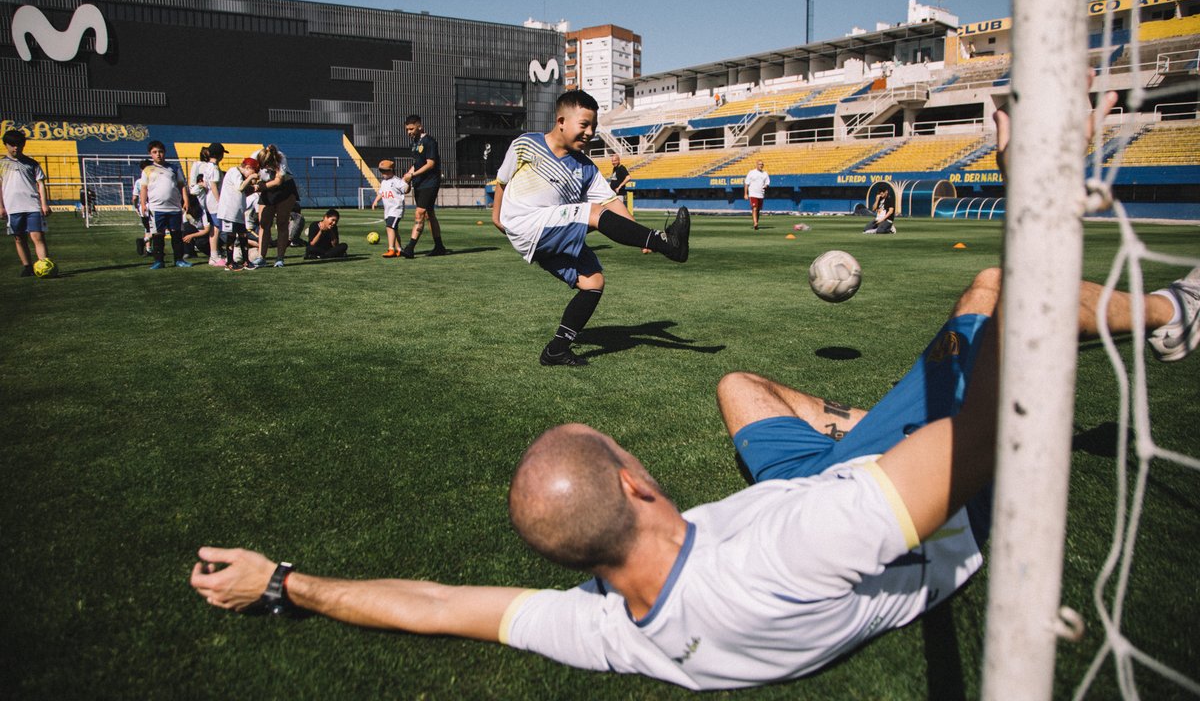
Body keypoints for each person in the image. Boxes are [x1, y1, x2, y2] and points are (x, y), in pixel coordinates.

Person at [189, 265, 1200, 690]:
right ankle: (1172, 312)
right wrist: (1044, 193)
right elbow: (1001, 420)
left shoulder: (607, 627)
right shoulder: (803, 546)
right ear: (636, 485)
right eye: (626, 449)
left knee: (736, 383)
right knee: (998, 292)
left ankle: (841, 416)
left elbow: (440, 603)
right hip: (893, 502)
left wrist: (286, 582)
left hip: (816, 475)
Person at [491, 90, 691, 367]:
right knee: (593, 213)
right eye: (584, 124)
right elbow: (502, 180)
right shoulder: (527, 144)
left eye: (594, 126)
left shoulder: (586, 167)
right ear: (561, 121)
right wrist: (496, 216)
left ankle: (557, 350)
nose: (590, 132)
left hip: (552, 228)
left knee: (593, 282)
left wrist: (640, 236)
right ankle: (668, 244)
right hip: (526, 223)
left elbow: (611, 202)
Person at [0, 128, 53, 277]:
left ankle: (45, 265)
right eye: (12, 144)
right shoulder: (1, 164)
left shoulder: (32, 163)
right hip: (12, 207)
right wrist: (1, 207)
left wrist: (44, 204)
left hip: (32, 205)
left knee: (37, 236)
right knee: (19, 238)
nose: (16, 147)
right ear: (6, 145)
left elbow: (40, 184)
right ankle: (28, 267)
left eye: (19, 144)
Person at [398, 115, 447, 258]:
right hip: (419, 183)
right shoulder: (414, 142)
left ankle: (410, 248)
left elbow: (430, 163)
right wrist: (408, 174)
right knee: (429, 214)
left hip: (430, 182)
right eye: (407, 129)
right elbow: (417, 163)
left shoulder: (429, 141)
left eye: (411, 129)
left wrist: (412, 175)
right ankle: (439, 247)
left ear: (419, 126)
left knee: (419, 213)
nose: (409, 132)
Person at [139, 140, 191, 269]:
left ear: (165, 153)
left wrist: (186, 200)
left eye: (160, 152)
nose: (158, 154)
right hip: (157, 209)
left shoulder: (174, 168)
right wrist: (143, 204)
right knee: (158, 235)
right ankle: (159, 261)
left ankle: (179, 260)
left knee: (176, 234)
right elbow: (144, 188)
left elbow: (182, 186)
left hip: (174, 208)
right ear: (150, 154)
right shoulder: (147, 170)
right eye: (155, 152)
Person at [252, 145, 299, 268]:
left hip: (284, 190)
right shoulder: (254, 156)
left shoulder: (281, 157)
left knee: (282, 223)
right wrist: (254, 183)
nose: (266, 168)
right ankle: (261, 257)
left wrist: (261, 187)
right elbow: (250, 173)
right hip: (266, 190)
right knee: (264, 224)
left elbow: (279, 181)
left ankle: (280, 258)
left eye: (267, 165)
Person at [217, 157, 260, 272]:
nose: (253, 174)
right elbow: (240, 187)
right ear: (248, 167)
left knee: (243, 236)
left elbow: (243, 190)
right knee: (231, 236)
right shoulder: (234, 171)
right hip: (229, 211)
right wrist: (251, 177)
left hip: (238, 212)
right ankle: (229, 262)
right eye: (253, 171)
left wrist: (253, 187)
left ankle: (246, 261)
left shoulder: (239, 175)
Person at [371, 160, 410, 257]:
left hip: (396, 209)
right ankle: (399, 250)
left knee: (389, 227)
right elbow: (381, 192)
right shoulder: (384, 182)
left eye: (385, 171)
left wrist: (408, 182)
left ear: (391, 170)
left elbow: (406, 189)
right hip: (388, 211)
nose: (383, 173)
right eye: (381, 171)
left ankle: (391, 249)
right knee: (394, 230)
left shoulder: (397, 181)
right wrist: (376, 201)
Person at [743, 160, 769, 230]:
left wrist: (766, 186)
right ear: (756, 165)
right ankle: (755, 223)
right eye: (760, 164)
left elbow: (767, 183)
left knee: (758, 210)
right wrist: (745, 194)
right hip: (753, 193)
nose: (761, 165)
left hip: (761, 194)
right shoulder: (751, 172)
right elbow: (746, 183)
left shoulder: (765, 173)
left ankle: (756, 222)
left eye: (762, 164)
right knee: (754, 208)